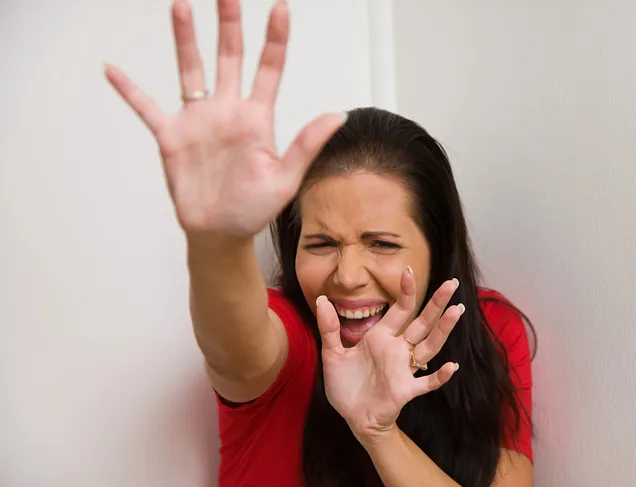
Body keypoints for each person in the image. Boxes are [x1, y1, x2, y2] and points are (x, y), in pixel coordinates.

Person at [104, 0, 535, 485]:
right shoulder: (289, 340)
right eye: (322, 244)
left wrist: (378, 432)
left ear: (437, 246)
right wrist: (218, 240)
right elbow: (233, 342)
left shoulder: (488, 329)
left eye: (383, 244)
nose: (347, 276)